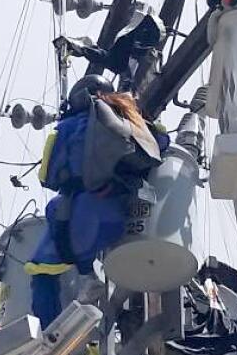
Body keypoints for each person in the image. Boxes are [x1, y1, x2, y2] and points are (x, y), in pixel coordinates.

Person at [25, 76, 166, 327]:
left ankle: (51, 328)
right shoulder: (133, 120)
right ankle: (96, 282)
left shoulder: (66, 127)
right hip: (127, 214)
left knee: (40, 269)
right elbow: (162, 144)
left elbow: (47, 176)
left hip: (85, 216)